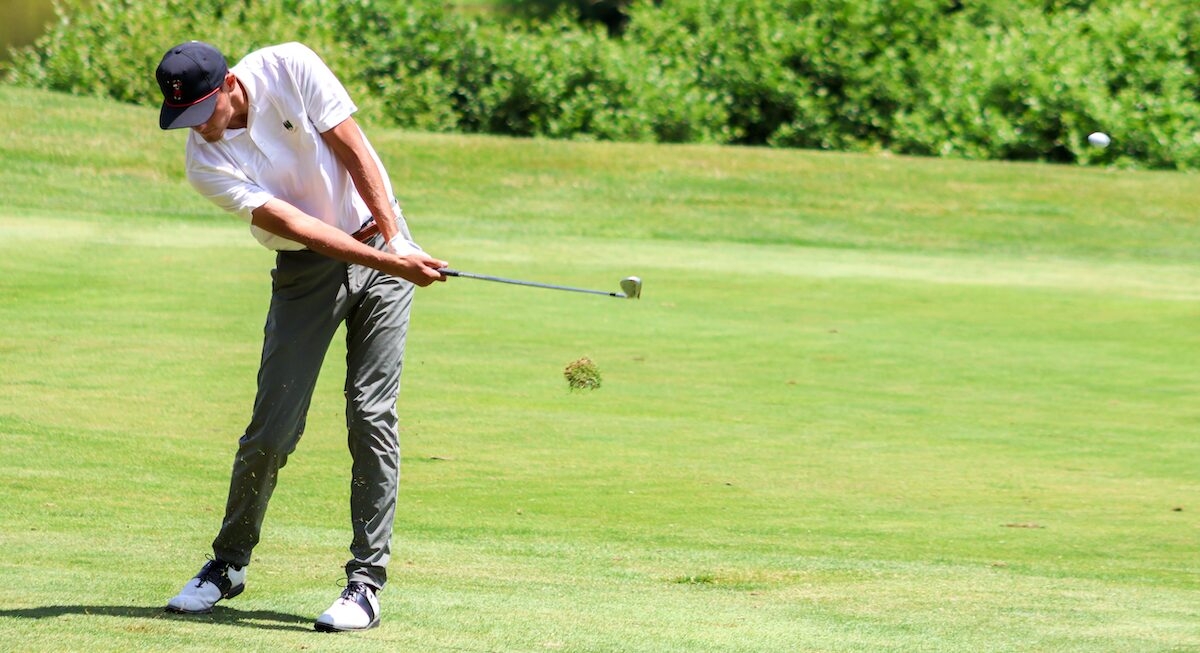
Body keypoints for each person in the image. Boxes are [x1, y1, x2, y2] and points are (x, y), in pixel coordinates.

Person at [154, 40, 447, 632]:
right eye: (184, 118)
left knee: (371, 414)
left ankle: (365, 584)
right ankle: (228, 564)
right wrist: (393, 261)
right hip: (306, 268)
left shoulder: (291, 66)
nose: (199, 127)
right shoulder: (203, 163)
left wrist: (394, 242)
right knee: (272, 428)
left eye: (204, 112)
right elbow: (294, 224)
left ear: (229, 83)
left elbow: (351, 145)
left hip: (380, 234)